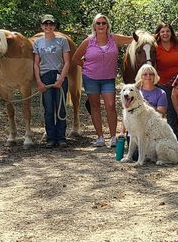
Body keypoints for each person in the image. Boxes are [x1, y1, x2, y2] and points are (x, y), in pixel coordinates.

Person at [71, 13, 134, 147]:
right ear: (94, 26)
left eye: (103, 23)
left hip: (108, 78)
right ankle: (100, 137)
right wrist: (87, 67)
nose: (101, 25)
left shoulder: (114, 39)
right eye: (98, 23)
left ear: (107, 25)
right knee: (95, 106)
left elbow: (131, 39)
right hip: (90, 78)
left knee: (110, 106)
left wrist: (148, 35)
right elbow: (75, 58)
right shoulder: (88, 41)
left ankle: (112, 137)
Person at [32, 14, 70, 148]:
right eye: (45, 24)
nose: (48, 26)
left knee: (61, 108)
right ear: (42, 26)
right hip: (45, 76)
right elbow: (36, 63)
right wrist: (39, 81)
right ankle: (50, 138)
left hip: (59, 75)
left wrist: (62, 78)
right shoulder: (38, 43)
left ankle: (61, 137)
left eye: (51, 24)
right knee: (48, 109)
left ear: (54, 26)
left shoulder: (62, 41)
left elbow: (67, 62)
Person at [119, 63, 169, 162]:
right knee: (135, 155)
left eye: (151, 74)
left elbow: (161, 114)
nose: (148, 76)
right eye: (145, 74)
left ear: (155, 76)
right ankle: (131, 156)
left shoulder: (161, 93)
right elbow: (127, 114)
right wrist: (122, 132)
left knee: (142, 154)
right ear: (140, 77)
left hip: (152, 133)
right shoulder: (133, 89)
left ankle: (155, 156)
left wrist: (144, 105)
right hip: (135, 134)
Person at [153, 21, 178, 142]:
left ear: (171, 32)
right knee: (171, 112)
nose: (165, 34)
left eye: (168, 31)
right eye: (162, 31)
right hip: (164, 84)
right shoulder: (155, 47)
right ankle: (175, 138)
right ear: (158, 33)